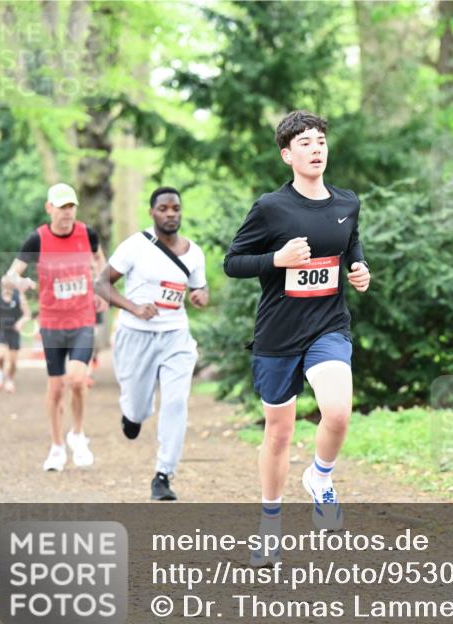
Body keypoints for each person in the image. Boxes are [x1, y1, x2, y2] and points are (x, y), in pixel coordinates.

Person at [224, 110, 371, 558]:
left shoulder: (347, 203)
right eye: (305, 142)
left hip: (328, 326)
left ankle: (320, 477)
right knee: (280, 433)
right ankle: (270, 529)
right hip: (278, 334)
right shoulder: (271, 207)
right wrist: (277, 260)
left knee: (338, 412)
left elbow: (351, 246)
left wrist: (358, 269)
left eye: (321, 140)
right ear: (288, 154)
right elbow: (233, 262)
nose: (316, 148)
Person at [95, 186, 208, 501]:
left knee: (175, 403)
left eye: (175, 208)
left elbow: (200, 289)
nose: (170, 213)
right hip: (136, 336)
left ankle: (163, 475)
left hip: (176, 336)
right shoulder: (135, 246)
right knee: (138, 407)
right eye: (163, 208)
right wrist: (133, 307)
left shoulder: (194, 253)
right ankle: (131, 415)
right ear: (152, 212)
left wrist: (201, 297)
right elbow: (101, 282)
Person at [6, 183, 105, 472]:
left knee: (77, 379)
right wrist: (19, 281)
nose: (67, 212)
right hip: (52, 323)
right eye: (61, 207)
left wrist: (100, 287)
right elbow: (11, 274)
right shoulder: (36, 239)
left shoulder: (87, 234)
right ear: (50, 208)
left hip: (82, 320)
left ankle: (77, 434)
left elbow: (99, 260)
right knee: (55, 389)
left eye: (71, 206)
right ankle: (57, 447)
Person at [0, 275, 31, 392]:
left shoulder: (19, 297)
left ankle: (9, 379)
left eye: (10, 285)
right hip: (1, 329)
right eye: (5, 285)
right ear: (2, 285)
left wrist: (21, 323)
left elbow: (27, 314)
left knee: (13, 361)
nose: (7, 287)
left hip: (14, 331)